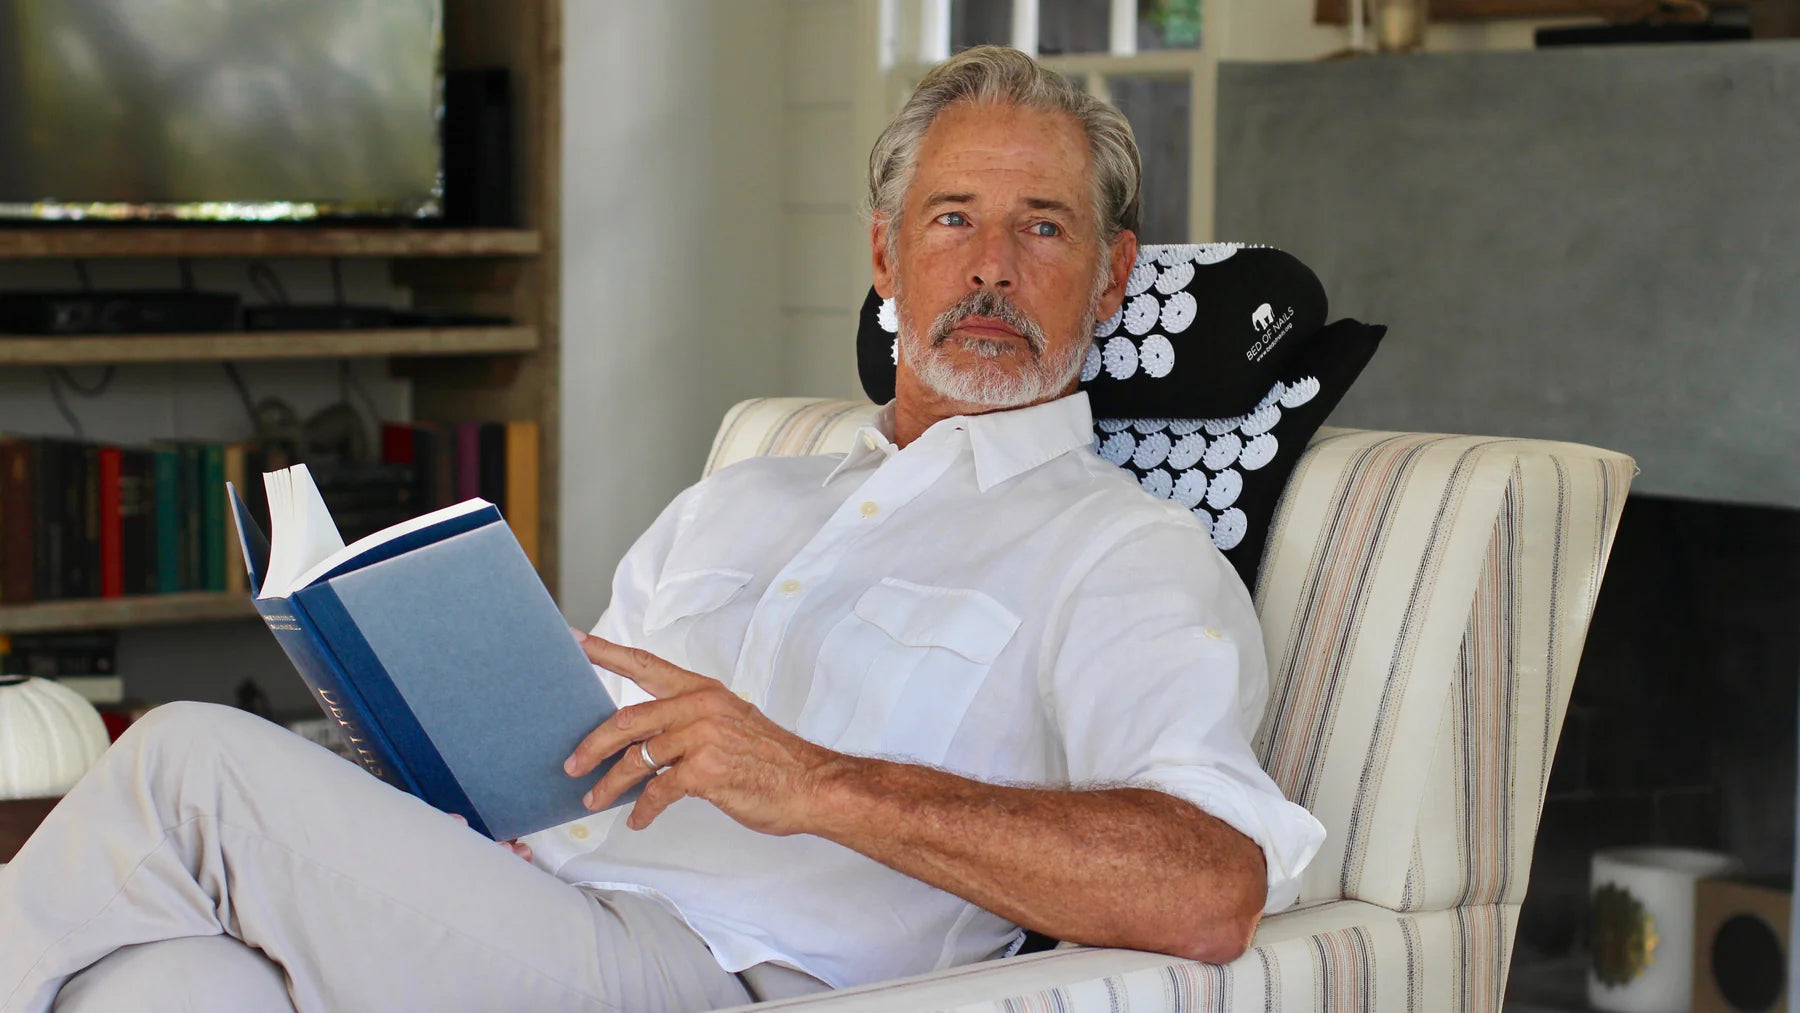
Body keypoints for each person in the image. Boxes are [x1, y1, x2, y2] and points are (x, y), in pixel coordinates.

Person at [0, 46, 1324, 1013]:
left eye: (1043, 227)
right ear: (885, 256)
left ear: (1112, 275)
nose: (991, 266)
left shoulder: (1122, 550)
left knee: (183, 761)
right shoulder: (744, 497)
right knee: (155, 983)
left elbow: (1208, 886)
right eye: (952, 220)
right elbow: (571, 756)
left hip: (722, 972)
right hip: (532, 904)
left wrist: (814, 781)